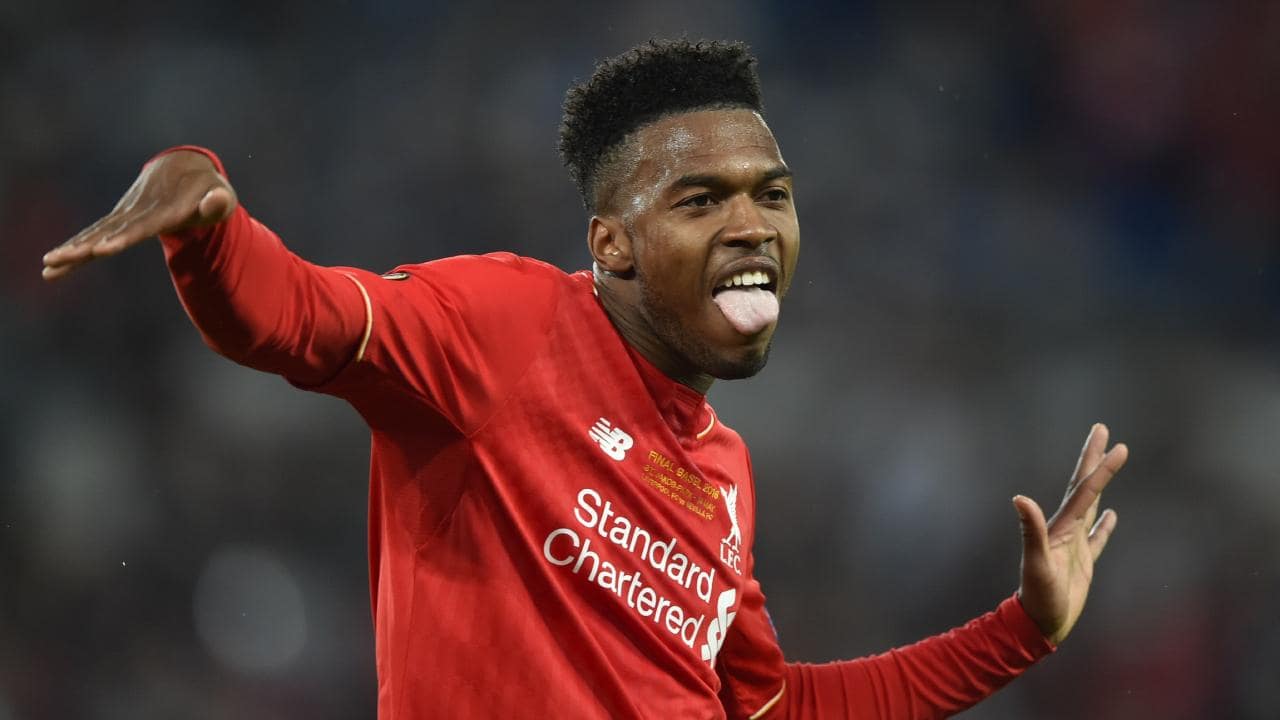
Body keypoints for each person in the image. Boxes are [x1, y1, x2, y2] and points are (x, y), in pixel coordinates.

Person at [40, 40, 1128, 719]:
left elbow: (771, 709)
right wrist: (207, 220)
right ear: (611, 244)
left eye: (772, 194)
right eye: (700, 199)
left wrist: (1022, 630)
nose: (752, 225)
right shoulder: (506, 325)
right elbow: (296, 318)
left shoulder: (725, 473)